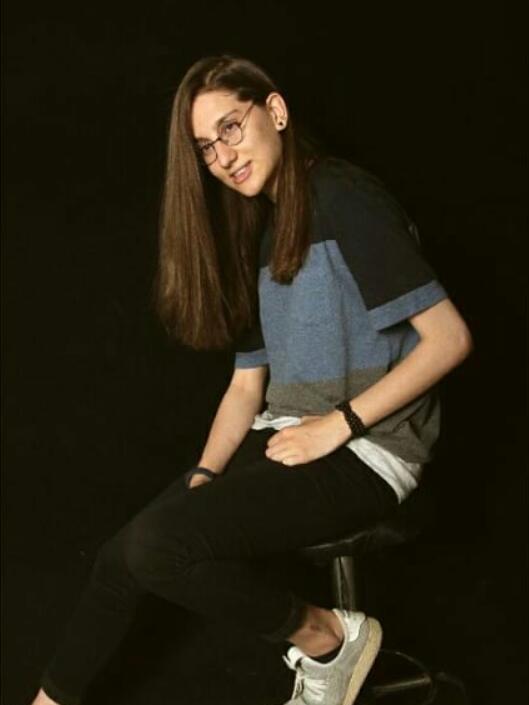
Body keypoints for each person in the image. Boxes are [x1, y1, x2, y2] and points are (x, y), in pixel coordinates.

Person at [30, 54, 473, 705]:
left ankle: (327, 638)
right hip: (288, 439)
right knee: (120, 555)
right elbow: (245, 386)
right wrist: (205, 473)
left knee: (157, 547)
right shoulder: (266, 230)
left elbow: (449, 339)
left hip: (368, 452)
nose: (223, 156)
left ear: (276, 111)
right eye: (206, 148)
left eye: (230, 128)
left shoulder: (343, 198)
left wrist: (338, 425)